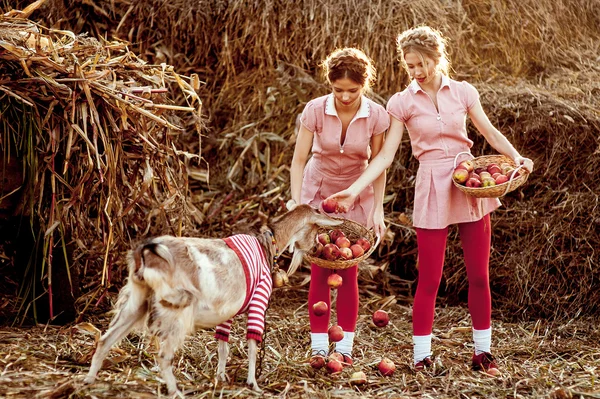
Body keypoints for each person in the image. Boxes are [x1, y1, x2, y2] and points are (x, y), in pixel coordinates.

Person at [325, 26, 534, 375]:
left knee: (479, 275)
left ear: (438, 58)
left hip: (468, 182)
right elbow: (385, 157)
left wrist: (517, 156)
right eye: (410, 67)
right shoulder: (401, 102)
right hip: (431, 185)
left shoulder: (464, 92)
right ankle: (421, 355)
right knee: (430, 279)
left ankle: (483, 353)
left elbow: (489, 132)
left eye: (422, 64)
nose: (417, 72)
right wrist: (355, 188)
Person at [289, 47, 390, 365]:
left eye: (353, 90)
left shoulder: (376, 115)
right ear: (329, 84)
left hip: (355, 197)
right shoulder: (315, 110)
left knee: (349, 272)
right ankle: (319, 345)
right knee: (320, 269)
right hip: (318, 193)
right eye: (337, 90)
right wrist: (297, 203)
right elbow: (299, 160)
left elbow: (379, 164)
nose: (345, 97)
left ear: (365, 85)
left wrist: (378, 210)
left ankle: (344, 345)